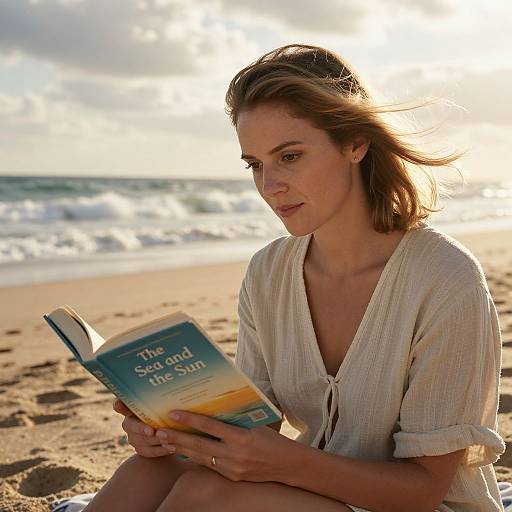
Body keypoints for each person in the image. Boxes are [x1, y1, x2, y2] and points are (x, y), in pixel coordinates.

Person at [84, 44, 505, 512]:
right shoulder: (269, 273)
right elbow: (254, 431)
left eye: (290, 156)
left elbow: (423, 491)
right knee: (150, 471)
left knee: (206, 493)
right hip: (318, 492)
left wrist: (286, 463)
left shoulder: (445, 279)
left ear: (354, 143)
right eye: (255, 165)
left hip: (414, 506)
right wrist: (172, 434)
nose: (269, 186)